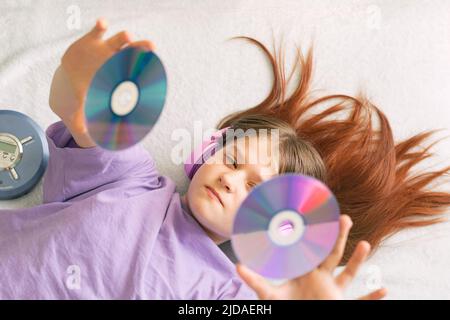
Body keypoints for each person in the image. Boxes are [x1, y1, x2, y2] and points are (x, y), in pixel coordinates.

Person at [1, 18, 448, 299]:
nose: (232, 180)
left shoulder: (229, 292)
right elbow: (78, 113)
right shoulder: (131, 178)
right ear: (202, 154)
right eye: (232, 161)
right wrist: (78, 79)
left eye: (256, 188)